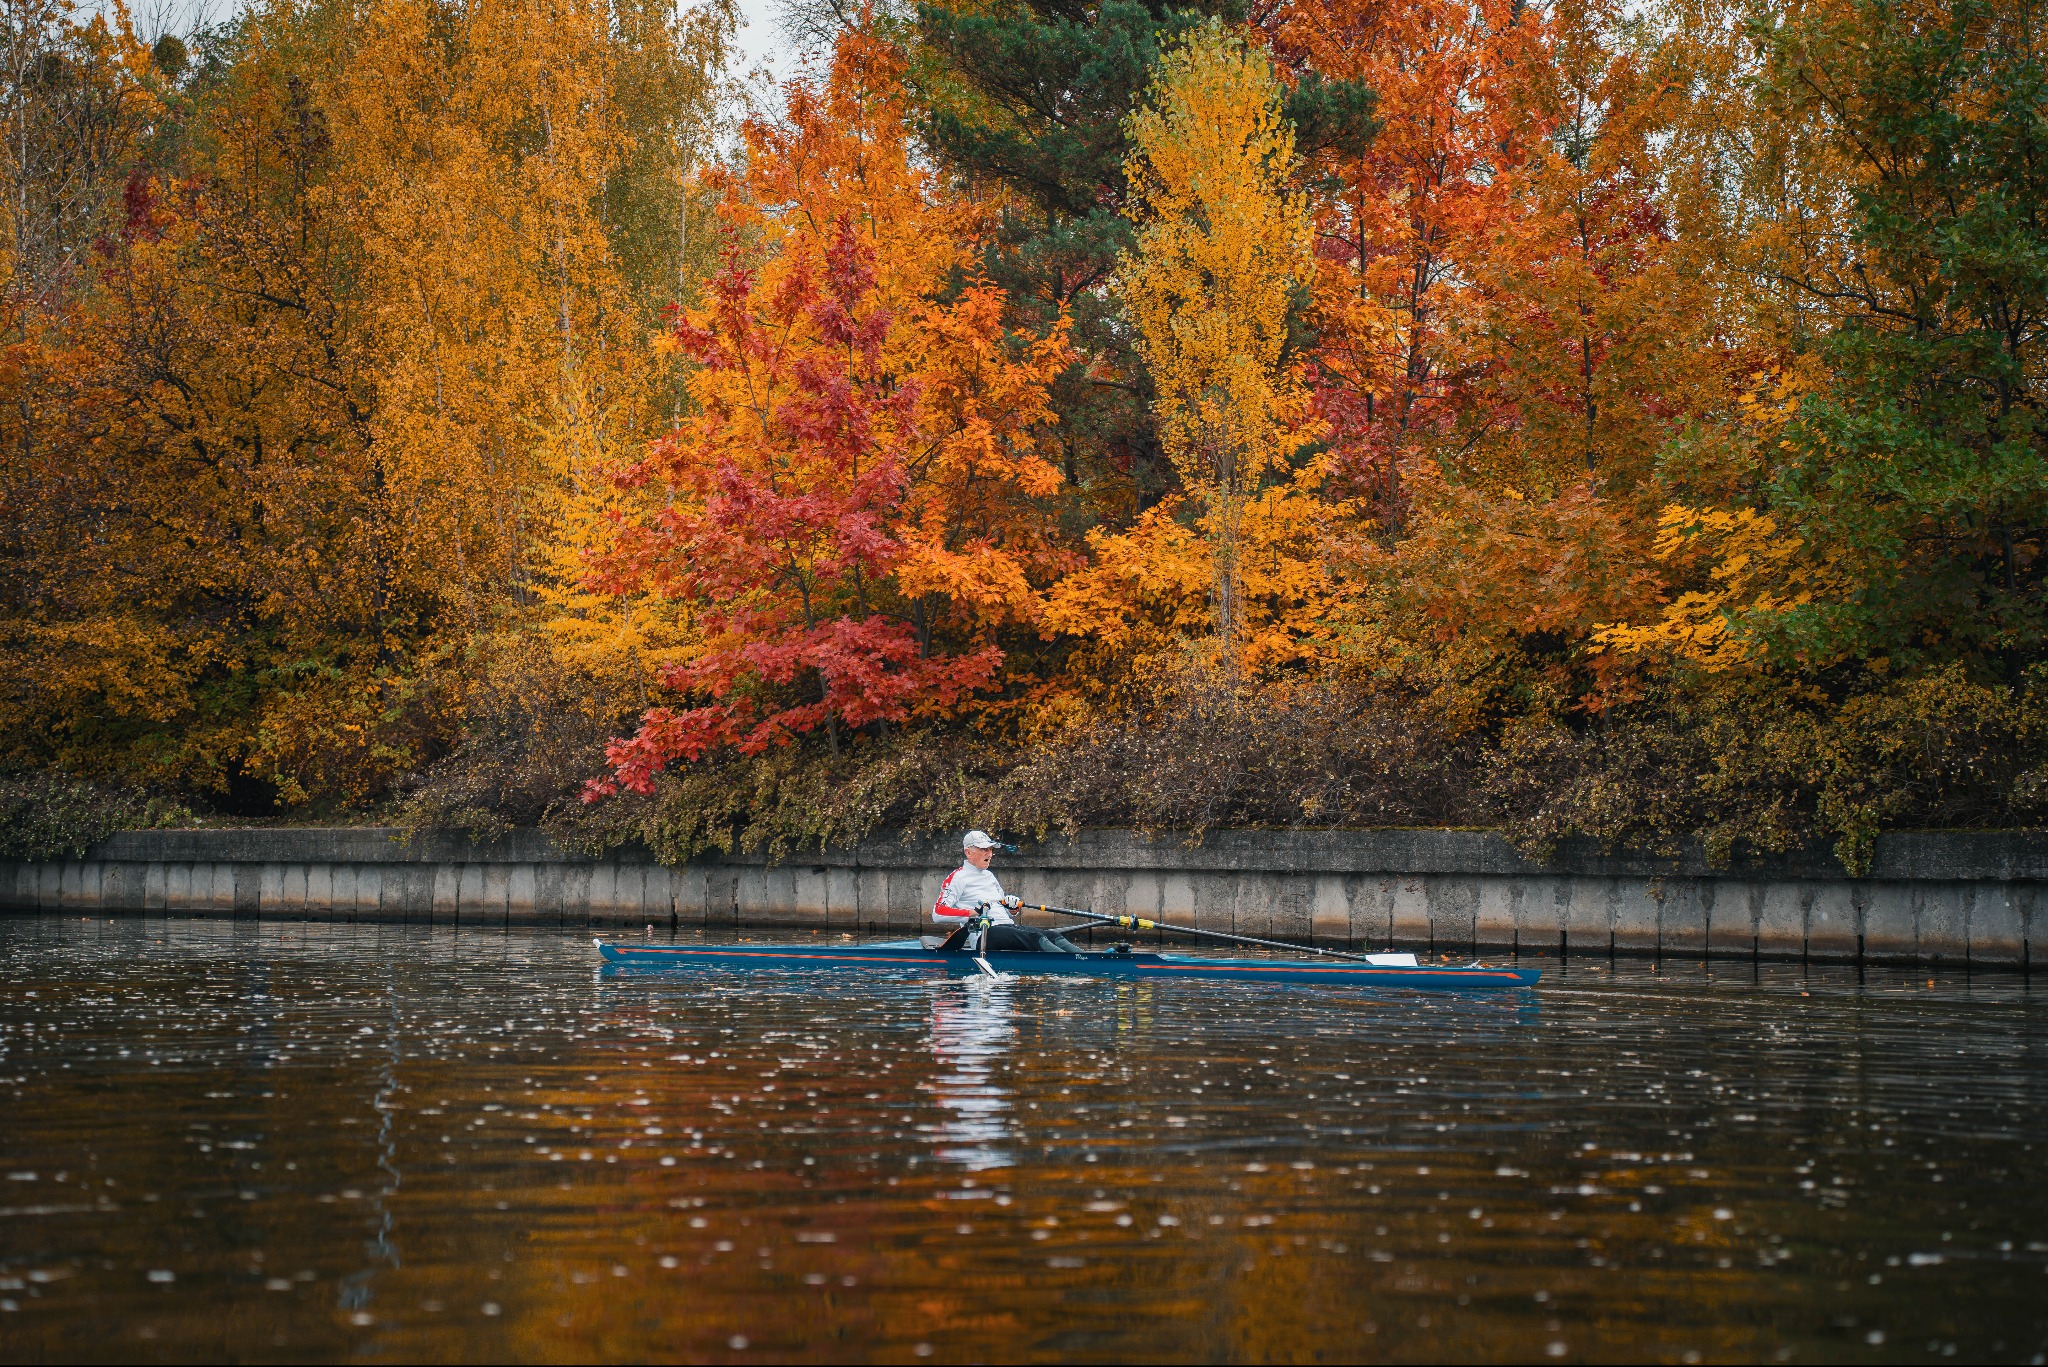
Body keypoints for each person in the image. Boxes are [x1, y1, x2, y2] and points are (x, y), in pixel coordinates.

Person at [933, 830, 1022, 925]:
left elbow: (1004, 910)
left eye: (991, 849)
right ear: (968, 853)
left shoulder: (990, 875)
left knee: (1038, 936)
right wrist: (973, 913)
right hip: (984, 931)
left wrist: (1012, 908)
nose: (990, 854)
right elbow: (938, 912)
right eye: (984, 849)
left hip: (1009, 926)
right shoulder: (958, 877)